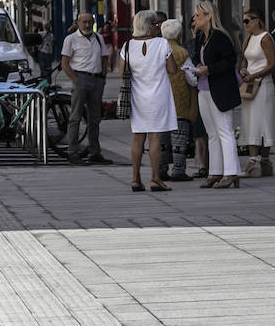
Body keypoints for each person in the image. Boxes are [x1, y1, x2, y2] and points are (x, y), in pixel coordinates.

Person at [120, 10, 179, 192]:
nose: (157, 27)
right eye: (154, 24)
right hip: (158, 96)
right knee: (155, 137)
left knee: (138, 137)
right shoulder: (162, 44)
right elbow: (172, 69)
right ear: (148, 26)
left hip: (138, 97)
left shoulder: (127, 46)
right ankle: (155, 178)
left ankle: (135, 179)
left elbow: (123, 72)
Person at [189, 1, 242, 188]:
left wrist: (208, 69)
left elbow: (229, 61)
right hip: (203, 89)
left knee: (224, 130)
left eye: (198, 15)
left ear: (209, 16)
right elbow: (196, 55)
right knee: (211, 132)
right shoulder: (200, 37)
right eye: (195, 15)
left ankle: (231, 172)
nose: (194, 18)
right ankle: (216, 171)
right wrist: (196, 66)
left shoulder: (220, 37)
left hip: (220, 89)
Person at [60, 12, 111, 165]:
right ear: (77, 23)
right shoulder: (71, 39)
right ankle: (73, 152)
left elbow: (104, 58)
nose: (87, 25)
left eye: (90, 22)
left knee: (95, 118)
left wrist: (103, 76)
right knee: (75, 117)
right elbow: (65, 63)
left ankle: (95, 151)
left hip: (96, 80)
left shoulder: (98, 38)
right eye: (84, 22)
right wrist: (76, 80)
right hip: (81, 78)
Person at [238, 7, 275, 177]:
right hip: (250, 86)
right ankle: (256, 159)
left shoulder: (265, 38)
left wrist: (255, 75)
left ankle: (259, 160)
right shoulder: (248, 39)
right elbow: (244, 61)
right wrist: (243, 71)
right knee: (250, 122)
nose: (245, 24)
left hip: (263, 85)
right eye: (244, 21)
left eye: (247, 20)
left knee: (262, 122)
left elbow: (273, 64)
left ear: (257, 20)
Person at [159, 18, 197, 182]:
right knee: (179, 138)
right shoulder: (182, 52)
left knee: (162, 140)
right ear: (179, 35)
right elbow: (191, 78)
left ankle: (160, 169)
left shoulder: (157, 50)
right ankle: (178, 170)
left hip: (160, 102)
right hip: (179, 102)